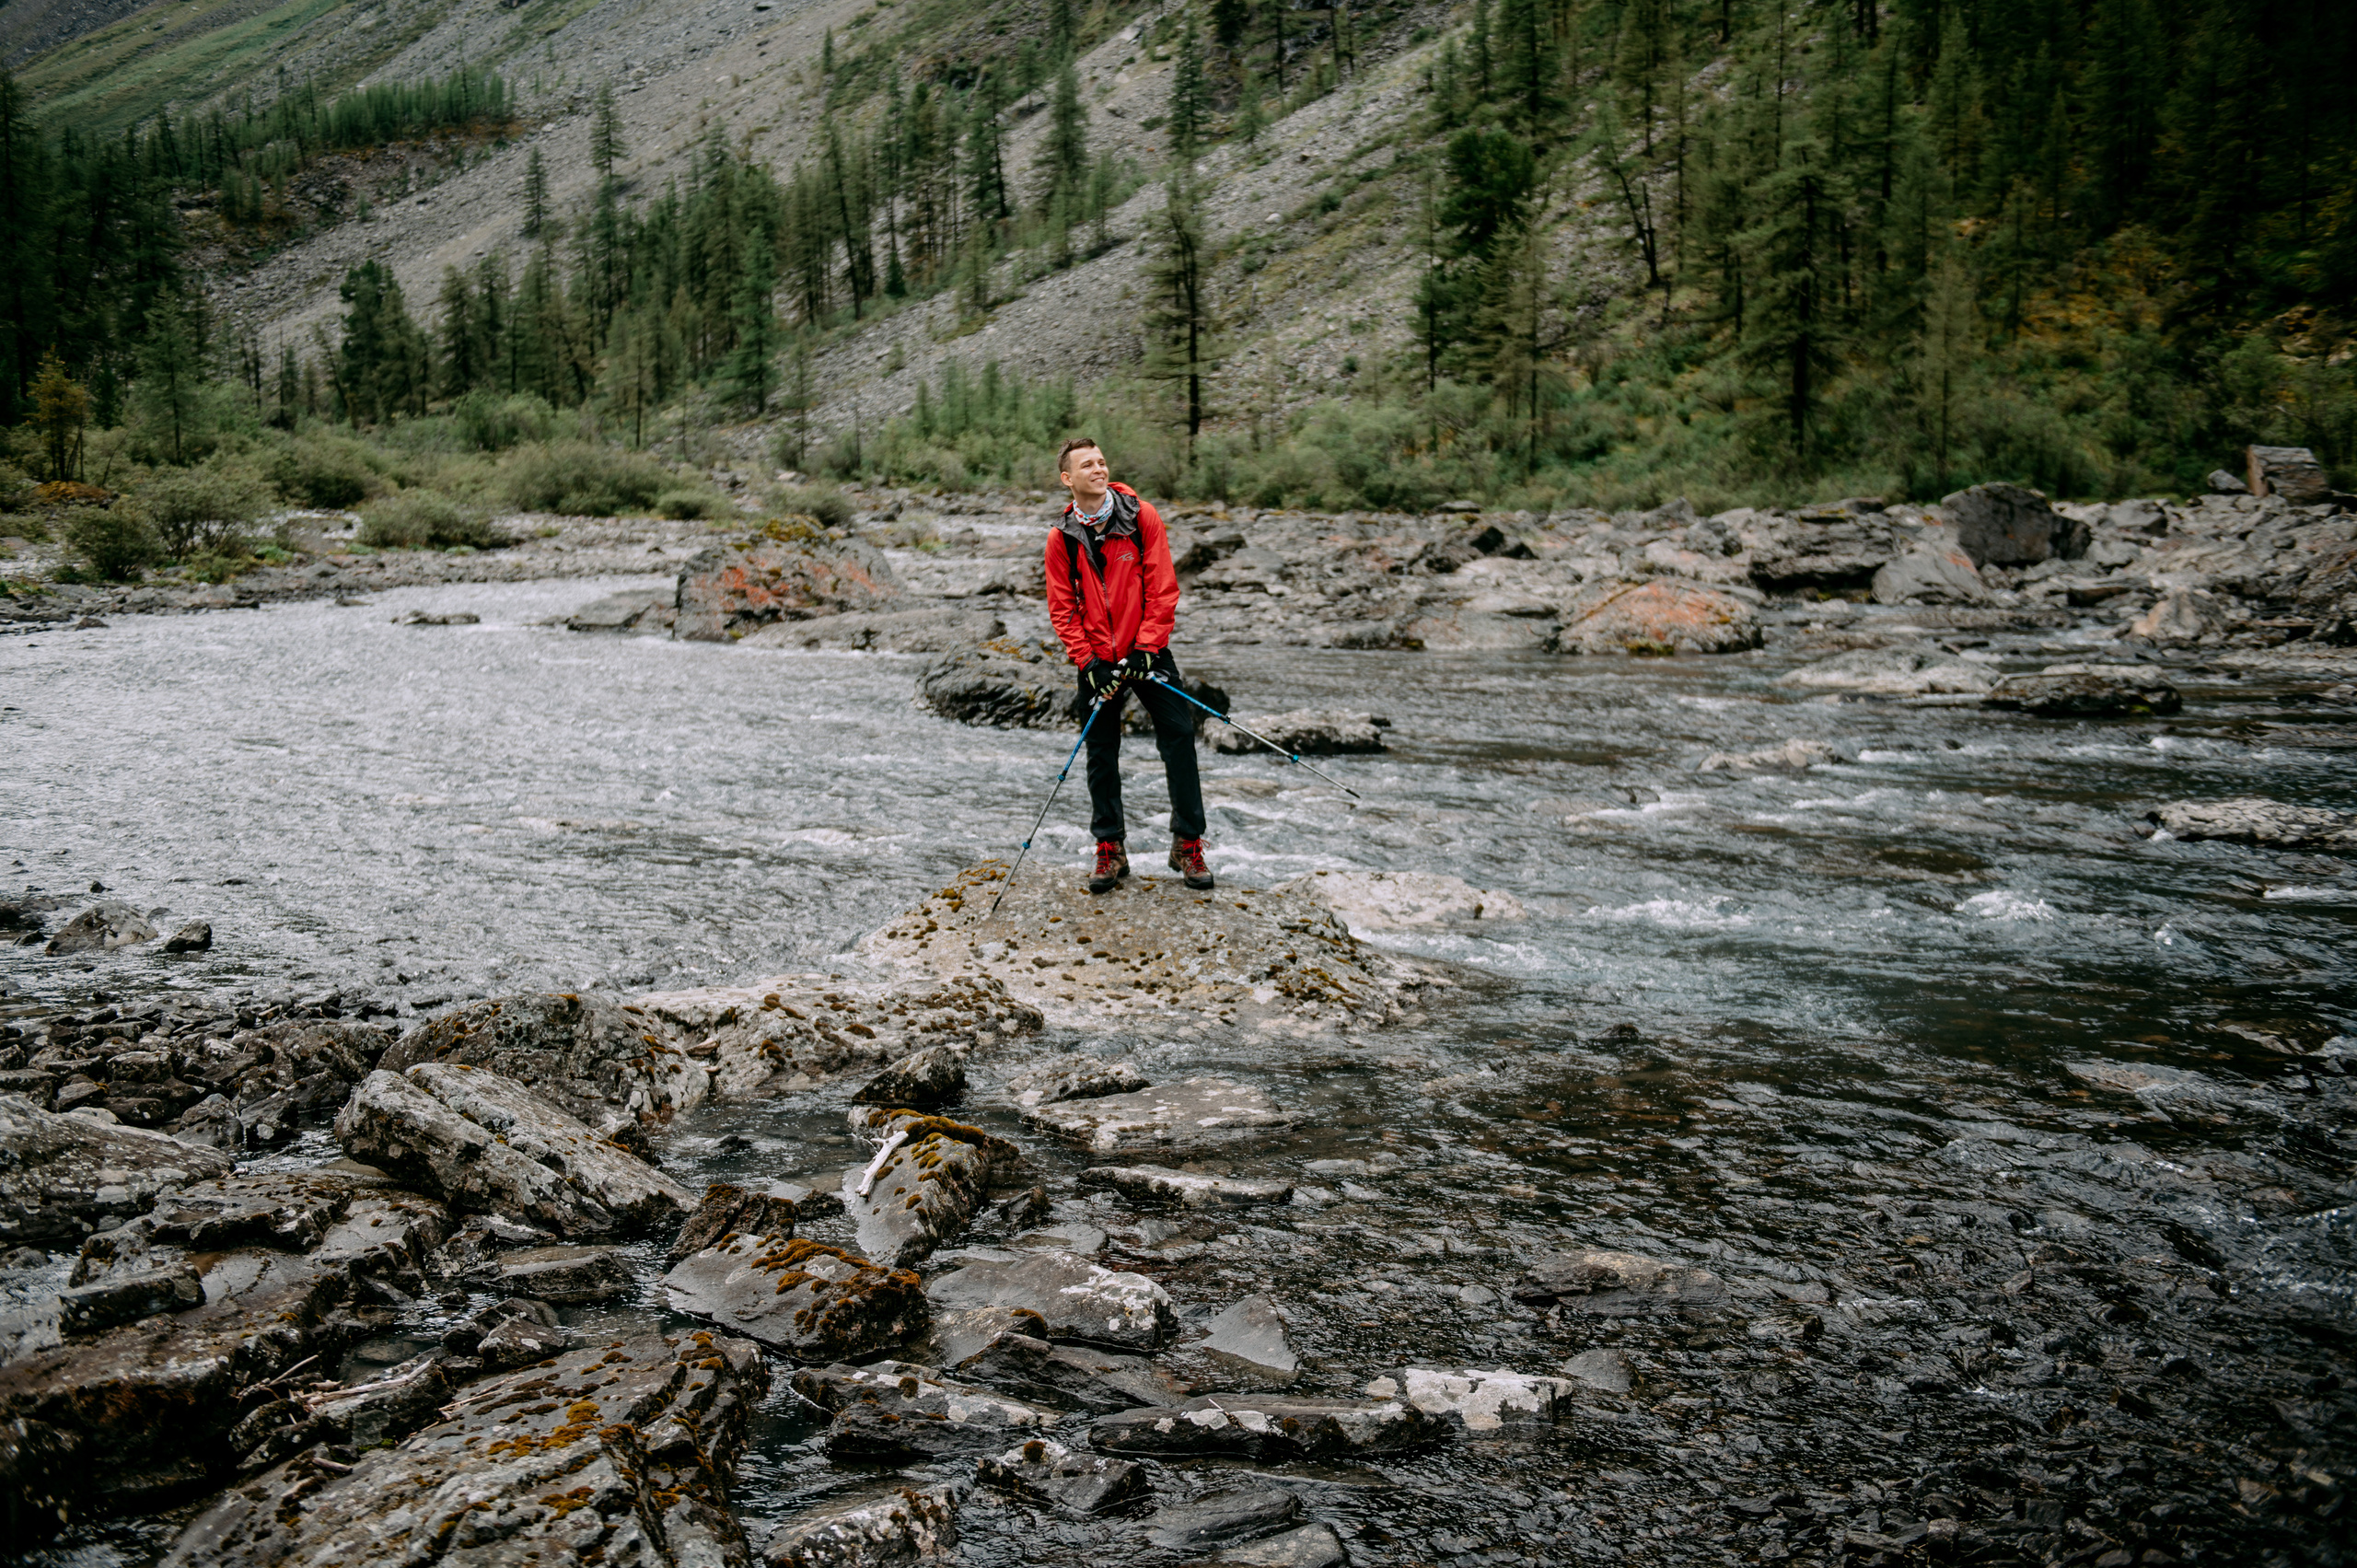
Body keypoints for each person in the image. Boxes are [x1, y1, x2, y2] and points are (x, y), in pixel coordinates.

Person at [1042, 436, 1213, 894]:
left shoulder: (1141, 517)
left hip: (1148, 654)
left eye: (1102, 462)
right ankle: (1110, 848)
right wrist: (1087, 660)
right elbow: (1062, 608)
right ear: (1068, 479)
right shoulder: (1061, 537)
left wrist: (1147, 648)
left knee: (1179, 736)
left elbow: (1163, 586)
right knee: (1101, 753)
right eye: (1087, 465)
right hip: (1097, 658)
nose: (1098, 469)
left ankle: (1188, 843)